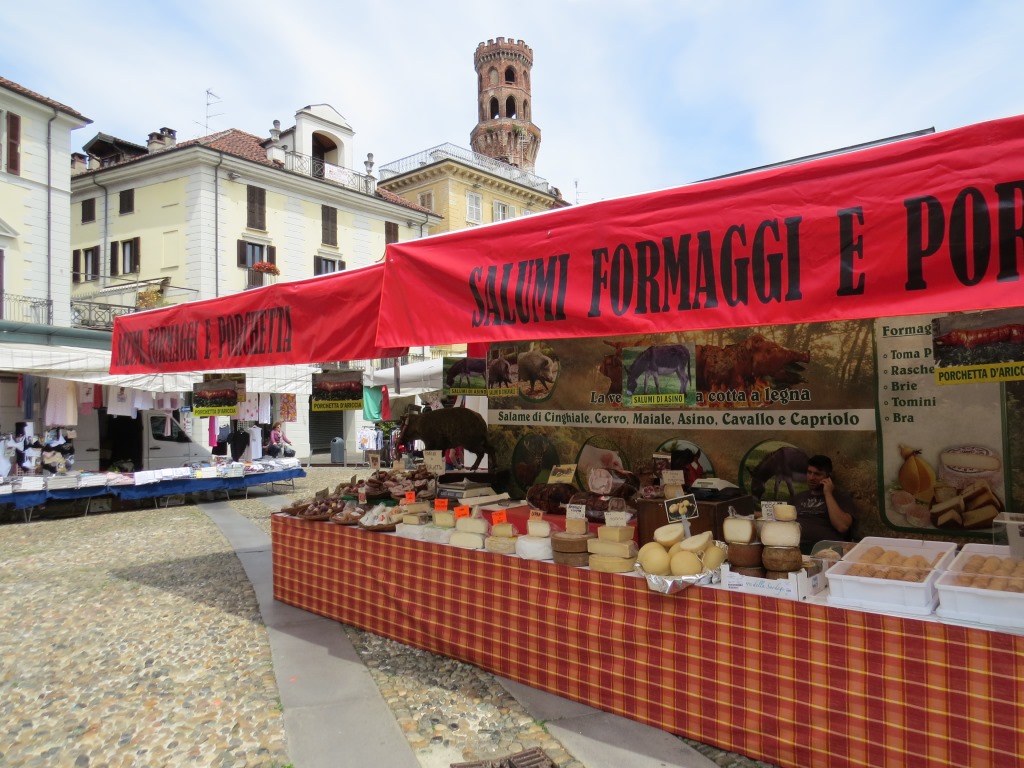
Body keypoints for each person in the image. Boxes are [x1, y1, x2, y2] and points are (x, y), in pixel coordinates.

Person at [791, 455, 857, 553]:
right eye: (809, 472)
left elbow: (842, 526)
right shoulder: (799, 497)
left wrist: (828, 493)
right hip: (796, 548)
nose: (811, 478)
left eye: (817, 474)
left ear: (828, 476)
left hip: (826, 551)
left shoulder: (840, 497)